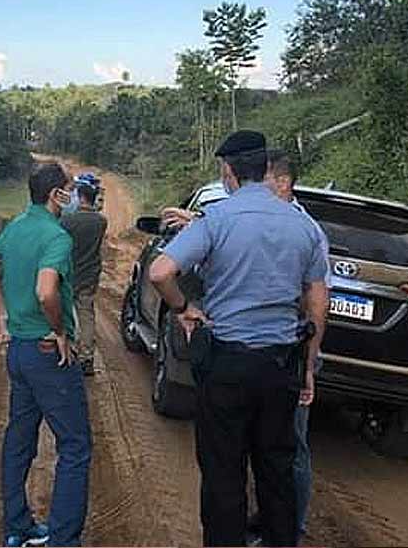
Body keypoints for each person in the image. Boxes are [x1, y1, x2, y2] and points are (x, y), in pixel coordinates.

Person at [147, 130, 329, 547]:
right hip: (281, 364)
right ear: (265, 169)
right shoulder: (305, 227)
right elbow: (318, 302)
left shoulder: (218, 220)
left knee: (223, 471)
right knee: (277, 469)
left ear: (228, 172)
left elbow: (160, 272)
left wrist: (182, 309)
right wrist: (309, 365)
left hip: (228, 362)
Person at [0, 162, 92, 547]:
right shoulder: (56, 236)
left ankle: (18, 527)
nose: (74, 194)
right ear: (56, 194)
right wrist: (59, 331)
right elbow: (46, 291)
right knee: (75, 446)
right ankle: (63, 540)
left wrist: (5, 313)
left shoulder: (19, 226)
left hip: (19, 353)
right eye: (70, 188)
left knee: (19, 439)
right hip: (48, 353)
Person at [265, 148, 331, 545]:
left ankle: (291, 529)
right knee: (271, 442)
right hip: (277, 350)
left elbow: (316, 301)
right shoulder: (284, 225)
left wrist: (308, 363)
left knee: (292, 445)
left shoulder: (306, 231)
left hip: (292, 350)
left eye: (265, 181)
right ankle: (271, 520)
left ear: (284, 183)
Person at [61, 175, 108, 376]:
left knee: (65, 313)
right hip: (90, 274)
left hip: (70, 273)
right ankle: (87, 357)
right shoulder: (101, 221)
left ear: (80, 197)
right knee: (86, 314)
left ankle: (67, 350)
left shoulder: (67, 221)